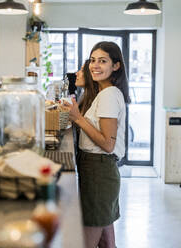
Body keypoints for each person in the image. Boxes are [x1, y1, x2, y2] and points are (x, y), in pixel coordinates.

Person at [64, 41, 130, 248]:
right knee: (106, 241)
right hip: (96, 169)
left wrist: (78, 118)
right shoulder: (104, 93)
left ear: (116, 66)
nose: (95, 66)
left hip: (99, 170)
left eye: (103, 61)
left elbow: (107, 144)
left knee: (88, 241)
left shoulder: (109, 95)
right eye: (92, 60)